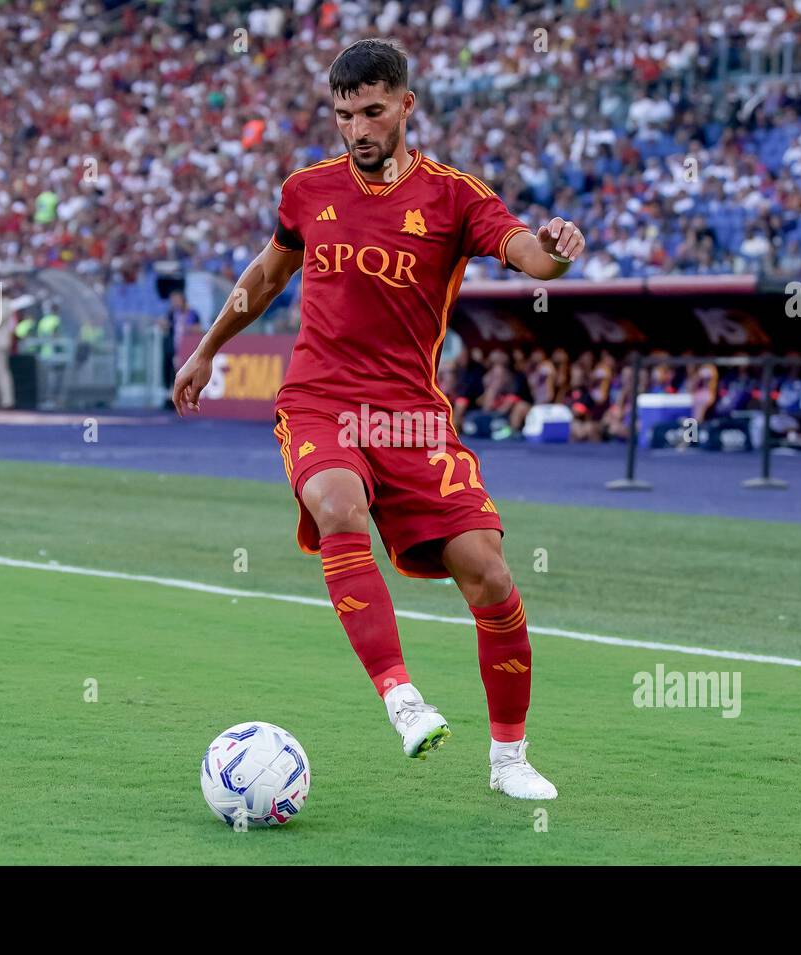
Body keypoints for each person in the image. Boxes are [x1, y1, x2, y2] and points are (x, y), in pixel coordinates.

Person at [172, 38, 586, 800]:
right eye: (343, 116)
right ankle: (401, 698)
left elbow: (526, 254)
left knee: (489, 573)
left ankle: (509, 759)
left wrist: (557, 254)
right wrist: (205, 351)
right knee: (335, 505)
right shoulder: (307, 191)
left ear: (405, 106)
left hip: (412, 417)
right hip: (320, 400)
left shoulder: (456, 197)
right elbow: (265, 277)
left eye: (370, 112)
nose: (357, 130)